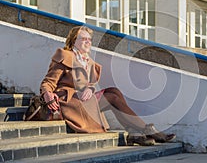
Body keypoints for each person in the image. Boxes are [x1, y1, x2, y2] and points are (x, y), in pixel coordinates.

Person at [40, 25, 176, 146]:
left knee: (114, 91)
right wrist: (47, 94)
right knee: (112, 98)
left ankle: (135, 134)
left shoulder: (89, 62)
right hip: (70, 102)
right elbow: (48, 82)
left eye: (89, 39)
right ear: (73, 41)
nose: (87, 42)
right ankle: (146, 130)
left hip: (84, 101)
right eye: (83, 39)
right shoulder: (64, 55)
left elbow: (90, 84)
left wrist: (90, 88)